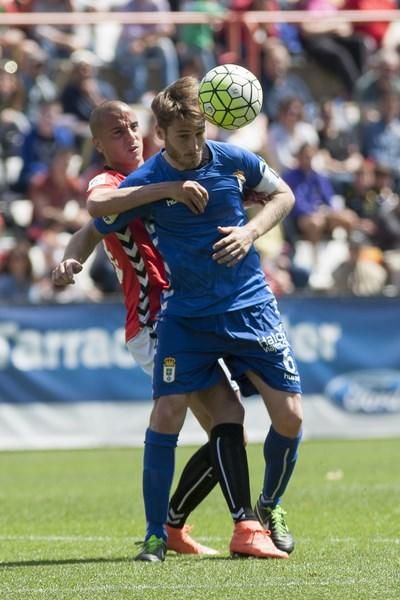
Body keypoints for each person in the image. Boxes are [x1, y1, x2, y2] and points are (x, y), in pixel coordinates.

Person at [91, 78, 303, 562]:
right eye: (181, 137)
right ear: (161, 133)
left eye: (197, 134)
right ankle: (156, 534)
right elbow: (97, 211)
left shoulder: (233, 160)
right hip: (185, 317)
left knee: (289, 418)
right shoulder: (145, 179)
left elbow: (284, 196)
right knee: (171, 413)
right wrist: (166, 188)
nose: (192, 146)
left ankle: (269, 508)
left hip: (250, 306)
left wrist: (250, 233)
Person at [52, 99, 264, 559]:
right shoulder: (115, 181)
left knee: (229, 428)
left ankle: (173, 526)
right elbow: (94, 216)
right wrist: (72, 258)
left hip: (188, 313)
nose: (128, 134)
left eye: (132, 125)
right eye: (115, 131)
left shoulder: (157, 171)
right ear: (99, 145)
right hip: (153, 320)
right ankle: (175, 527)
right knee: (211, 420)